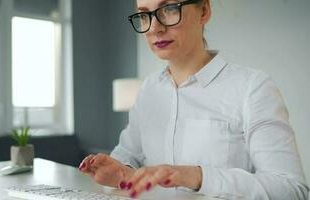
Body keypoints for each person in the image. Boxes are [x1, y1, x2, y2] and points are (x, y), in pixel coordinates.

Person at [79, 0, 309, 199]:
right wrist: (121, 171)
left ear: (204, 11)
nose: (155, 28)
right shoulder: (149, 89)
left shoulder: (252, 87)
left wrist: (195, 175)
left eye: (168, 8)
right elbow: (127, 154)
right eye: (143, 14)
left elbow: (291, 190)